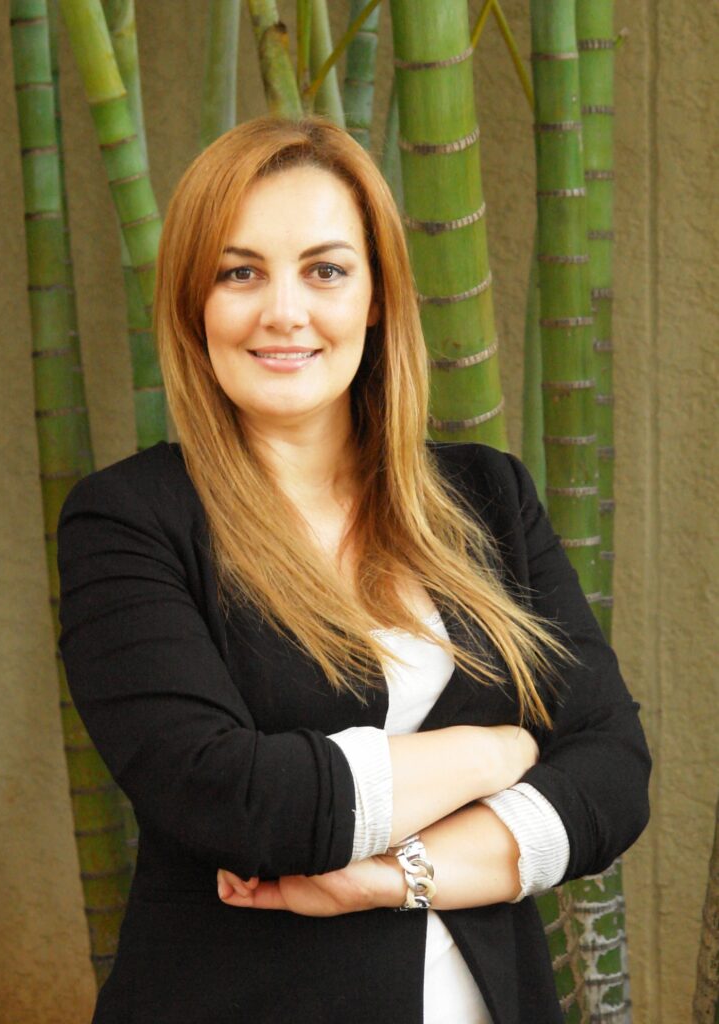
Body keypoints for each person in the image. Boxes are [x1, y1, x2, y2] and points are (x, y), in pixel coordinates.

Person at [57, 116, 650, 1024]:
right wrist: (500, 750)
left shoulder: (487, 496)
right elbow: (234, 796)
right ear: (192, 302)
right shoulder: (130, 521)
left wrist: (393, 878)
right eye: (239, 272)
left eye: (325, 270)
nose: (283, 312)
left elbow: (612, 771)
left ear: (375, 297)